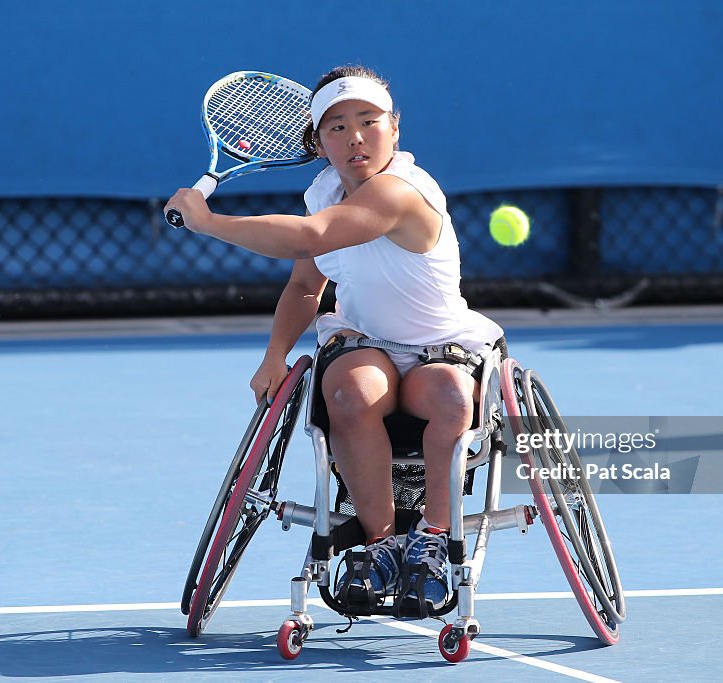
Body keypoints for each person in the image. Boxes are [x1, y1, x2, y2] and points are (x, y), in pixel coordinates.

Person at [164, 65, 503, 615]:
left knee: (450, 398)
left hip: (439, 345)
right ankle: (383, 544)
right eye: (337, 127)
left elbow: (315, 236)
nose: (355, 137)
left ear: (394, 128)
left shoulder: (401, 192)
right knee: (346, 393)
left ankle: (436, 542)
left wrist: (210, 222)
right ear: (318, 144)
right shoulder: (323, 192)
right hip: (365, 338)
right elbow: (305, 283)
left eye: (368, 121)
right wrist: (274, 356)